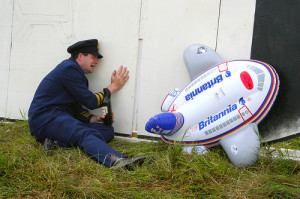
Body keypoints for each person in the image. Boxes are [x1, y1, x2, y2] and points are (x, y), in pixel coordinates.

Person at [28, 39, 147, 169]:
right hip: (46, 119)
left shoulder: (77, 75)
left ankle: (55, 142)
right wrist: (113, 87)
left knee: (107, 131)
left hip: (59, 118)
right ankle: (117, 160)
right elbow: (90, 101)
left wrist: (92, 119)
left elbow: (75, 107)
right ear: (80, 56)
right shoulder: (69, 68)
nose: (96, 62)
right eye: (93, 57)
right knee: (83, 133)